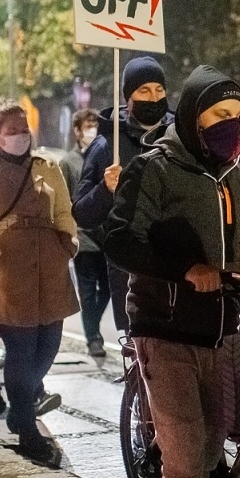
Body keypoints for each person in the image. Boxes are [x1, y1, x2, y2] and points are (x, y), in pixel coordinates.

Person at [104, 65, 240, 478]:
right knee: (186, 462)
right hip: (165, 328)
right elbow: (119, 240)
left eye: (235, 115)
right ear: (192, 116)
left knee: (210, 450)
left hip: (224, 332)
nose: (229, 124)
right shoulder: (154, 167)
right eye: (218, 114)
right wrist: (186, 270)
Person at [0, 101, 79, 467]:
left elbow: (64, 211)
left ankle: (19, 409)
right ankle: (26, 429)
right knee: (21, 351)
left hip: (49, 270)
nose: (21, 136)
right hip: (5, 274)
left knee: (49, 346)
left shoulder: (47, 167)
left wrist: (69, 242)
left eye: (25, 130)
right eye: (13, 131)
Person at [72, 56, 174, 334]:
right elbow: (82, 213)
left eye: (159, 90)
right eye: (144, 91)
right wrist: (105, 190)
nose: (154, 98)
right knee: (138, 353)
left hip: (177, 270)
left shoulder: (180, 138)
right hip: (130, 275)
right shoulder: (107, 145)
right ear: (128, 97)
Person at [61, 109, 111, 358]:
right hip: (84, 237)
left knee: (109, 288)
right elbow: (64, 201)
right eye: (88, 126)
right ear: (77, 131)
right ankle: (93, 338)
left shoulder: (105, 155)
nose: (92, 131)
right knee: (88, 291)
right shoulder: (68, 162)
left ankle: (93, 325)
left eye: (95, 126)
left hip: (107, 236)